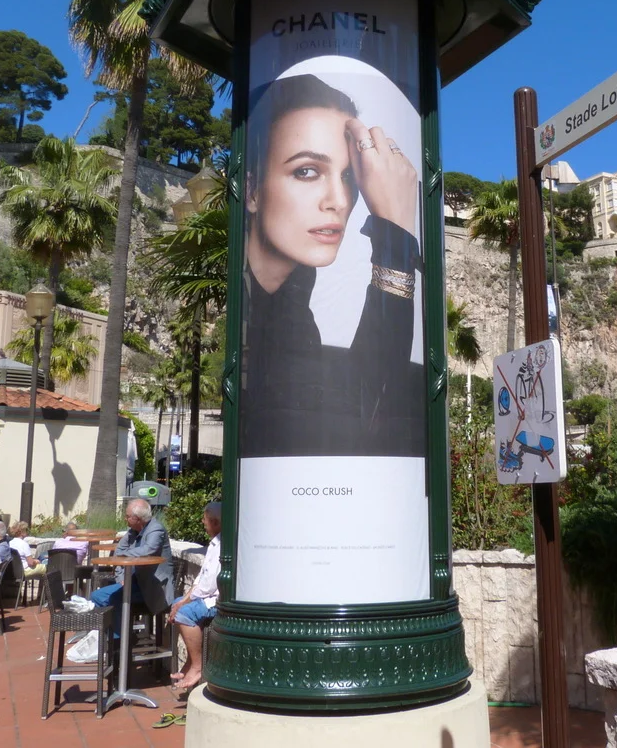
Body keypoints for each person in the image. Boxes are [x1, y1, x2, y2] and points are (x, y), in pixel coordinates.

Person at [241, 73, 424, 458]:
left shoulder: (291, 302)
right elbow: (361, 421)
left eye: (348, 177)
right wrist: (392, 236)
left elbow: (363, 410)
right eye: (307, 170)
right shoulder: (248, 309)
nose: (339, 200)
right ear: (253, 188)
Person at [89, 499, 172, 640]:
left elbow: (148, 549)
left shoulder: (155, 529)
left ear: (137, 518)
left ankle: (119, 644)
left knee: (115, 599)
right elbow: (119, 552)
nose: (125, 518)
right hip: (134, 582)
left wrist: (125, 555)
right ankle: (111, 639)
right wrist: (121, 578)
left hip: (153, 588)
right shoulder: (133, 531)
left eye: (127, 516)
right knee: (97, 596)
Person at [167, 501, 220, 692]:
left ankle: (197, 667)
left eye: (205, 520)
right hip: (207, 595)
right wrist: (182, 601)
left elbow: (208, 585)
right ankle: (191, 662)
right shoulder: (214, 544)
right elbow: (200, 579)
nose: (203, 523)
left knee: (184, 613)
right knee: (177, 604)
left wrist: (183, 604)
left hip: (217, 601)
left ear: (215, 522)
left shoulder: (222, 545)